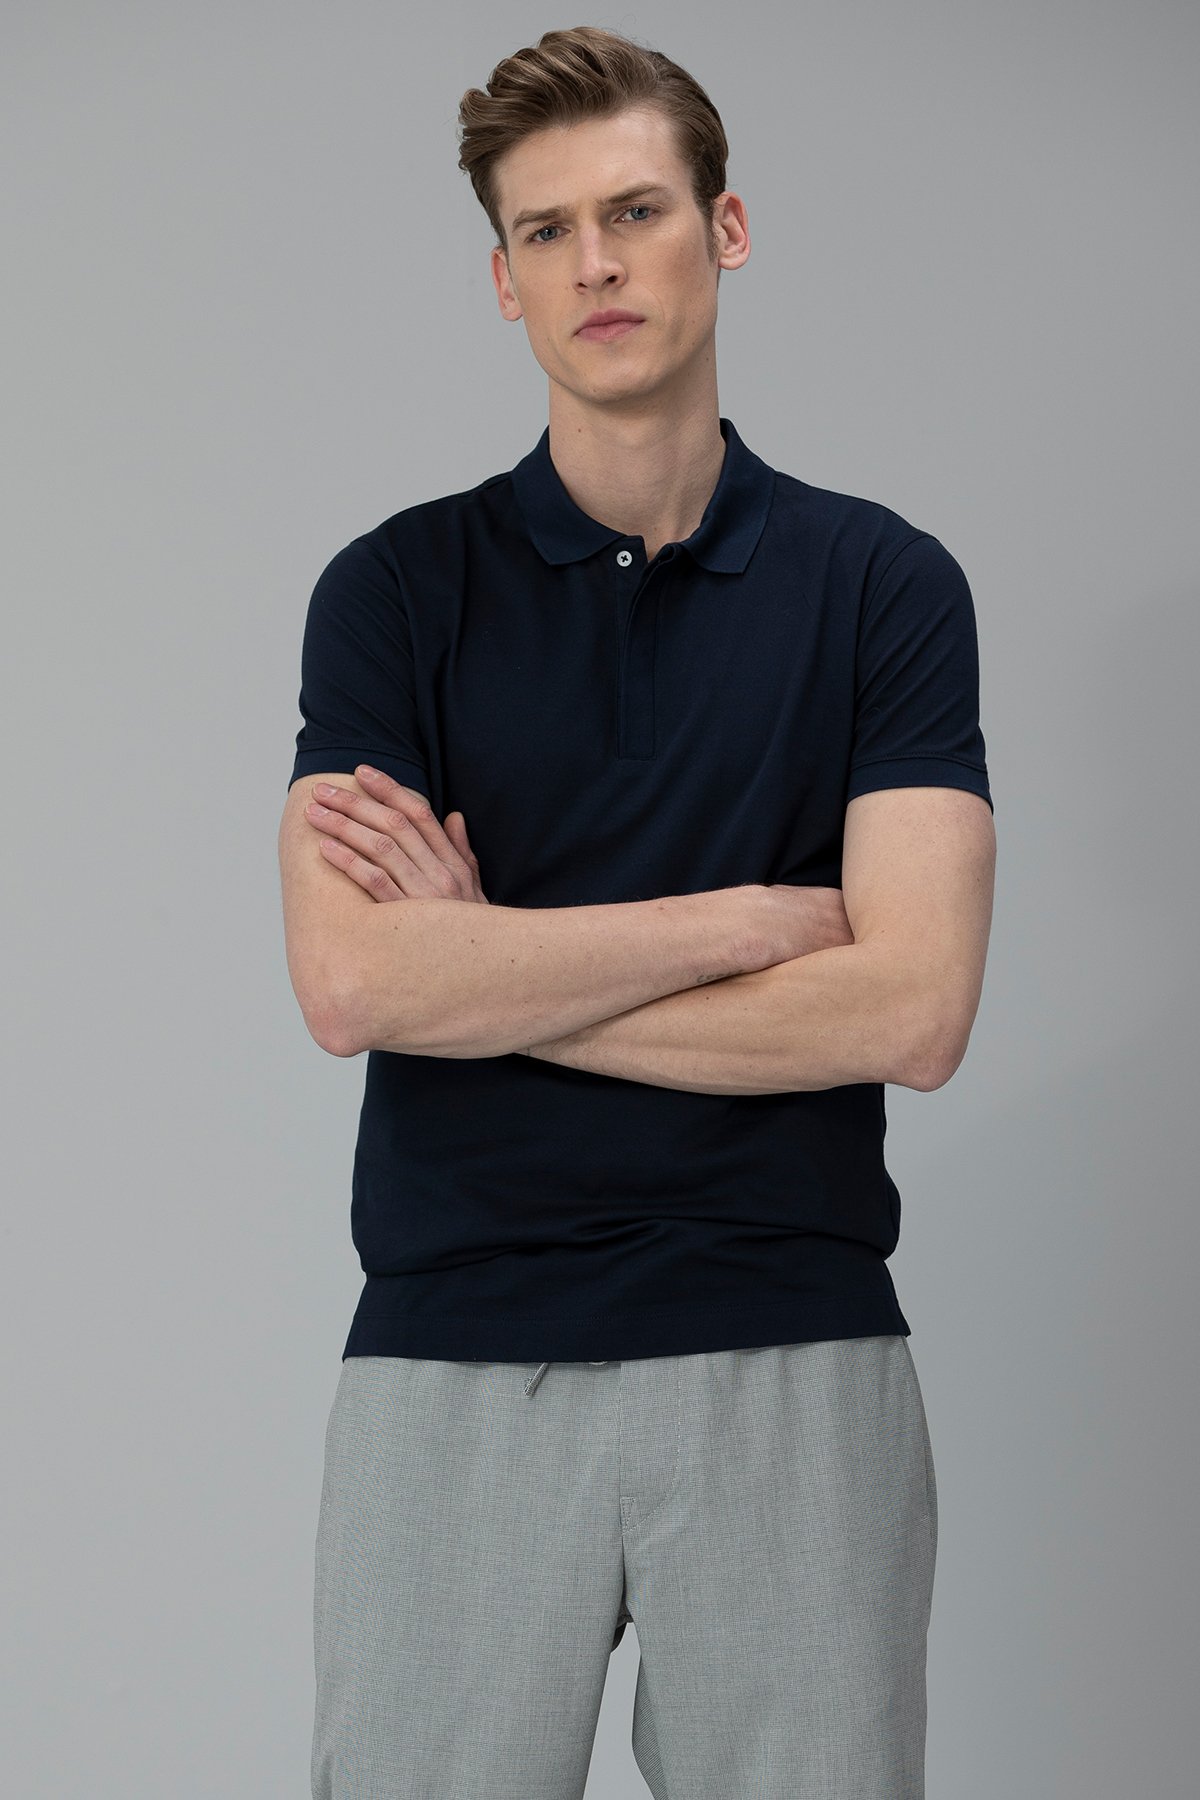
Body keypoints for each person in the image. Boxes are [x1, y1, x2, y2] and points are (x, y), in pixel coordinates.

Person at [278, 24, 996, 1800]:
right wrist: (745, 920)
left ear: (724, 229)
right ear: (503, 280)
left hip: (794, 1347)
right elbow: (356, 982)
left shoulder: (885, 586)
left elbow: (912, 1014)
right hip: (454, 1357)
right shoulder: (393, 592)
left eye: (636, 211)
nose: (594, 263)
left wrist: (491, 966)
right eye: (546, 231)